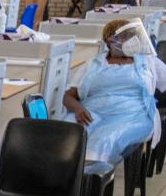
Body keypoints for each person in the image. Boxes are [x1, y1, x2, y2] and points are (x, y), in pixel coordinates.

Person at [64, 19, 166, 164]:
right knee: (68, 134)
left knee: (104, 140)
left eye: (132, 36)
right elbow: (68, 96)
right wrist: (78, 108)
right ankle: (59, 178)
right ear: (110, 40)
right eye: (126, 37)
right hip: (92, 114)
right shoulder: (93, 64)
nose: (132, 41)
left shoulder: (148, 62)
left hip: (133, 116)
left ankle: (90, 182)